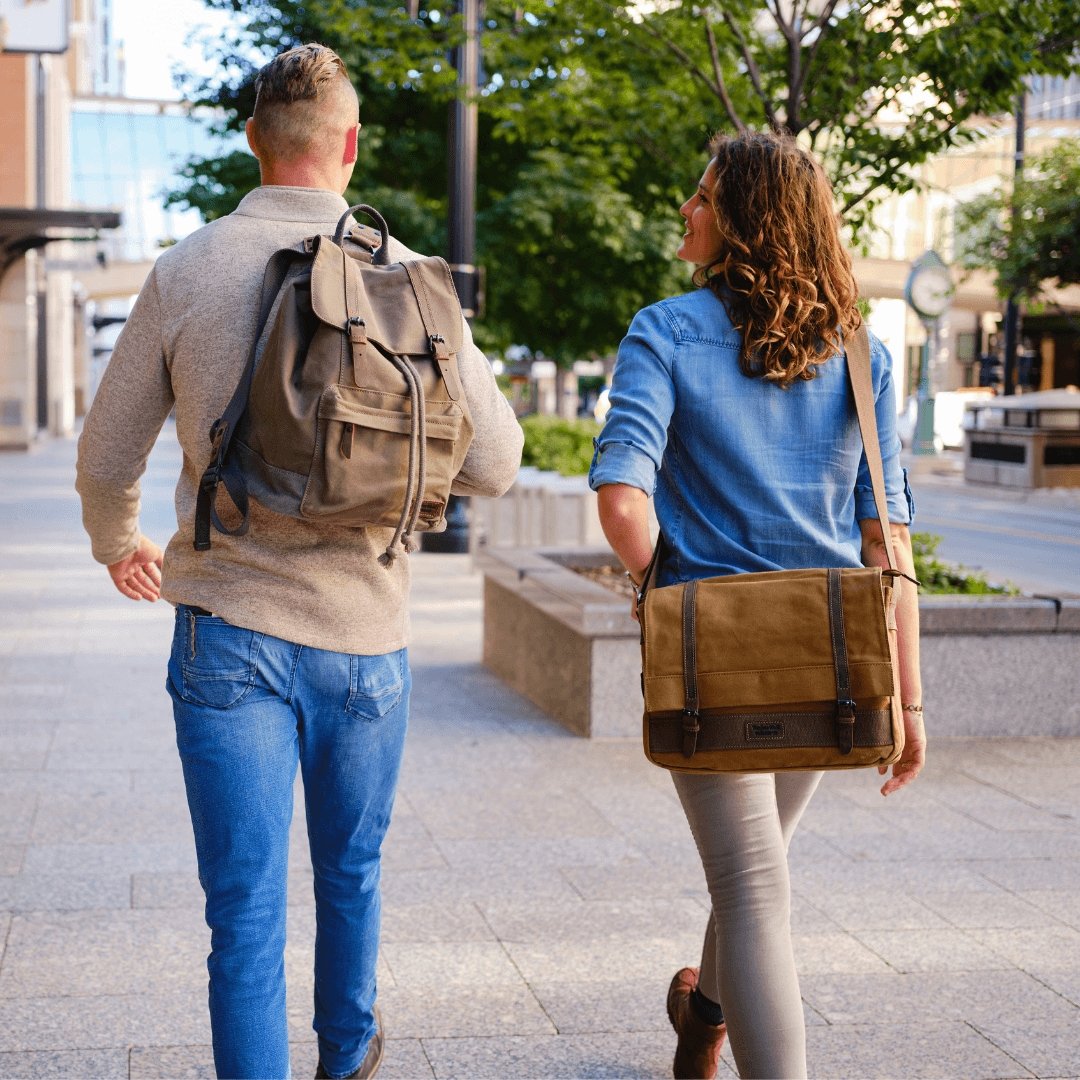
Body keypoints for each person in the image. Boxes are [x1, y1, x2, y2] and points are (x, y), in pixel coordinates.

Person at [76, 43, 522, 1080]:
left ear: (251, 141)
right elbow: (498, 462)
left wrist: (120, 546)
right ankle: (348, 1063)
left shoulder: (187, 269)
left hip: (229, 632)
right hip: (369, 639)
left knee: (244, 916)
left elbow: (106, 458)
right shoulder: (411, 276)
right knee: (352, 878)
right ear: (350, 148)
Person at [589, 131, 925, 1079]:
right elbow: (886, 542)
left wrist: (665, 593)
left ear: (744, 217)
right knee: (756, 871)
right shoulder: (863, 353)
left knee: (752, 883)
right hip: (831, 654)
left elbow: (623, 499)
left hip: (715, 656)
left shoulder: (664, 330)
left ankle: (711, 1027)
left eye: (702, 197)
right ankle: (701, 1024)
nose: (686, 211)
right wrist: (912, 699)